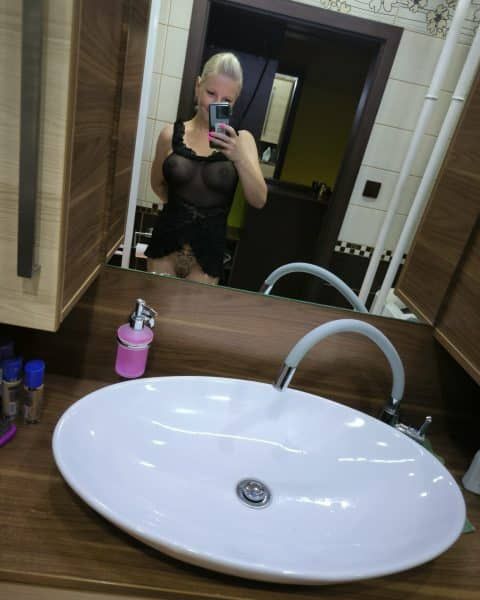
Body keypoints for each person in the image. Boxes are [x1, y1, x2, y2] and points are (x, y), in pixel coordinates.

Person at [145, 52, 267, 284]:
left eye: (226, 100)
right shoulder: (170, 135)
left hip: (208, 256)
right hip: (164, 246)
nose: (216, 104)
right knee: (157, 306)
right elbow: (157, 184)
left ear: (235, 102)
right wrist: (182, 209)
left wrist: (239, 157)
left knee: (195, 309)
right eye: (211, 93)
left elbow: (259, 199)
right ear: (198, 86)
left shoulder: (242, 141)